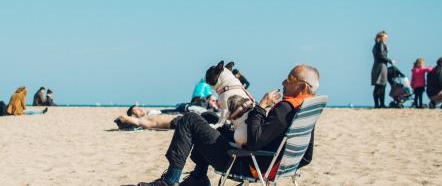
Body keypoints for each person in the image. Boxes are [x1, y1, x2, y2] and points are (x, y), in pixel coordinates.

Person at [136, 64, 320, 186]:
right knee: (208, 118)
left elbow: (254, 141)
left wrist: (261, 107)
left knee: (189, 119)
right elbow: (307, 156)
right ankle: (199, 177)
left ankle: (170, 179)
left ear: (303, 86)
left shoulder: (285, 110)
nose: (283, 82)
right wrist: (284, 163)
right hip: (265, 160)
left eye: (290, 79)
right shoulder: (305, 108)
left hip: (244, 161)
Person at [371, 31, 392, 108]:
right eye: (385, 37)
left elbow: (379, 55)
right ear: (381, 37)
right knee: (381, 86)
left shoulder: (375, 45)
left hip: (376, 66)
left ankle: (377, 104)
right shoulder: (381, 45)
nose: (386, 39)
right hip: (381, 66)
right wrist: (390, 60)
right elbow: (382, 56)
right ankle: (381, 104)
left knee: (378, 86)